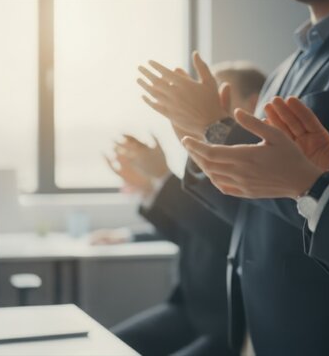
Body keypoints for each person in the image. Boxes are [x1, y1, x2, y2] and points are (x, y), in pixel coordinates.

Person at [137, 0, 329, 355]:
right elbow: (252, 206)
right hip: (258, 317)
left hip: (316, 320)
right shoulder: (285, 67)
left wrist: (215, 126)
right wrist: (200, 139)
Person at [101, 63, 265, 356]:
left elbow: (228, 236)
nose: (202, 107)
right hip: (189, 310)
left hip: (226, 325)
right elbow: (189, 232)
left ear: (253, 104)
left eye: (217, 98)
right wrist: (148, 186)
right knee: (105, 346)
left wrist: (162, 177)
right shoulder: (211, 165)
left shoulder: (258, 172)